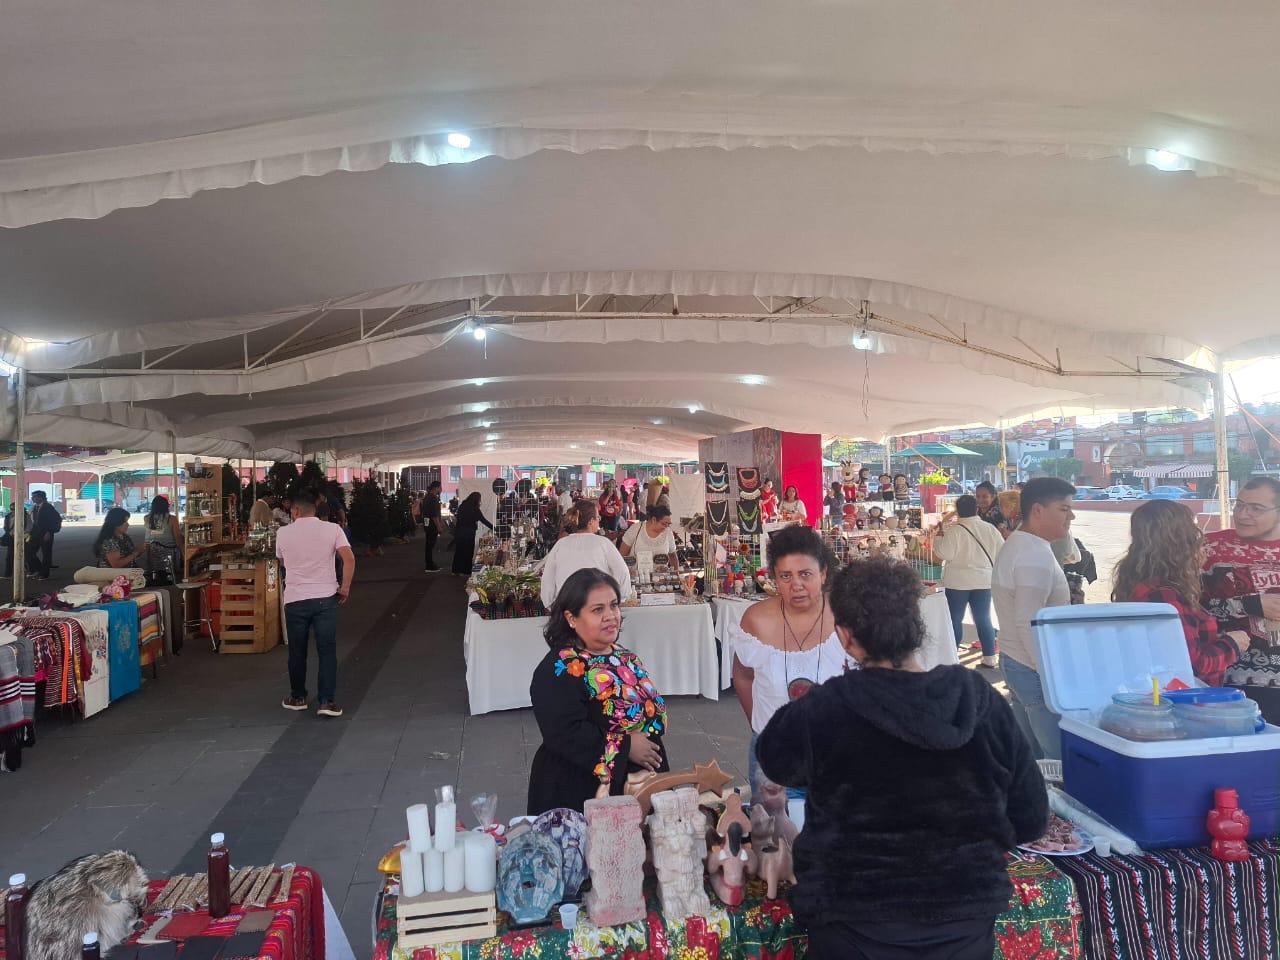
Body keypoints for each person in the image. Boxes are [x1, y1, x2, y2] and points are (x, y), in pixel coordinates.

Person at [756, 556, 1048, 960]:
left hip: (850, 926)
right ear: (916, 627)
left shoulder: (825, 707)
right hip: (963, 926)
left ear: (844, 636)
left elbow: (772, 755)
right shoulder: (979, 699)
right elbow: (1030, 818)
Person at [527, 569, 668, 814]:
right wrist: (626, 747)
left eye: (613, 606)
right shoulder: (559, 668)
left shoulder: (623, 655)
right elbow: (563, 733)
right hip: (581, 788)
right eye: (597, 610)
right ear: (571, 618)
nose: (610, 616)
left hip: (638, 783)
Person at [731, 525, 852, 795]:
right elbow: (742, 676)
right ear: (774, 577)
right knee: (774, 831)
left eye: (805, 574)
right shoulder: (756, 619)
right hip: (775, 755)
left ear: (823, 574)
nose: (796, 585)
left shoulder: (846, 614)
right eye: (785, 576)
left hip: (835, 752)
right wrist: (760, 726)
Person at [1112, 500, 1248, 688]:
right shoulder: (1165, 597)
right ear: (1180, 545)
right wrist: (1232, 644)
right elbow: (1191, 667)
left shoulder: (1137, 582)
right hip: (1186, 702)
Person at [991, 477, 1075, 760]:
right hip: (1033, 669)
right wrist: (1049, 672)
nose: (1071, 516)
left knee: (1035, 758)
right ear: (1038, 510)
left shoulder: (1023, 545)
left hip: (1018, 663)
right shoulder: (1032, 555)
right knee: (1055, 759)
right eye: (1064, 509)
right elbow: (1028, 621)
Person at [1201, 475, 1280, 720]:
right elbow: (1185, 611)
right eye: (1240, 505)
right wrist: (1248, 605)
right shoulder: (1209, 548)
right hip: (1228, 685)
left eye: (1256, 508)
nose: (1243, 514)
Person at [275, 491, 354, 718]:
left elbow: (281, 561)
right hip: (325, 598)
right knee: (327, 650)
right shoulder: (332, 529)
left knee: (297, 651)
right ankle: (326, 701)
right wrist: (345, 586)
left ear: (296, 511)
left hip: (295, 598)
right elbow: (349, 558)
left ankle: (298, 697)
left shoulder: (283, 532)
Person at [929, 495, 1005, 668]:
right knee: (983, 618)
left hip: (957, 583)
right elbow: (1001, 551)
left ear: (958, 510)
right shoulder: (989, 529)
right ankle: (990, 656)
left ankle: (952, 657)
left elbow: (944, 555)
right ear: (976, 509)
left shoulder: (954, 531)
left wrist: (939, 538)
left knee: (955, 619)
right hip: (984, 581)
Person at [539, 501, 632, 606]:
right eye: (598, 517)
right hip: (597, 607)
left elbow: (547, 580)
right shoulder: (604, 543)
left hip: (568, 608)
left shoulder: (560, 544)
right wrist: (619, 600)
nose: (599, 521)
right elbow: (623, 573)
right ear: (591, 521)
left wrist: (551, 605)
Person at [619, 503, 678, 568]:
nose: (666, 527)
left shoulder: (668, 532)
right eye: (664, 524)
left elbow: (672, 555)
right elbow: (622, 555)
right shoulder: (635, 529)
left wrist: (676, 572)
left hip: (660, 576)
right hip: (636, 576)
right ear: (654, 520)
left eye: (668, 524)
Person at [451, 491, 494, 575]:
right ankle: (466, 570)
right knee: (468, 552)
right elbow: (483, 520)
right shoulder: (475, 509)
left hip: (460, 531)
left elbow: (458, 518)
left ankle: (455, 570)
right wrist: (494, 528)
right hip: (469, 532)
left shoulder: (462, 506)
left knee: (459, 551)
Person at [142, 495, 184, 578]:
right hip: (168, 549)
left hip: (150, 549)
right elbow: (177, 537)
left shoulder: (146, 518)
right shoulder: (172, 518)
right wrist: (183, 553)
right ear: (166, 506)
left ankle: (153, 573)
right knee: (182, 540)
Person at [26, 490, 60, 580]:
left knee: (46, 554)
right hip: (35, 533)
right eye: (32, 497)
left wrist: (49, 531)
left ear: (40, 498)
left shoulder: (48, 507)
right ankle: (38, 569)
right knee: (28, 551)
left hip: (46, 533)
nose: (32, 498)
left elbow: (56, 520)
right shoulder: (34, 508)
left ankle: (44, 574)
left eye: (34, 497)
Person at [421, 481, 444, 572]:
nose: (441, 489)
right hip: (432, 525)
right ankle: (430, 565)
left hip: (427, 523)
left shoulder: (426, 497)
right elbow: (434, 515)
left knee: (428, 545)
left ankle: (429, 564)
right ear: (436, 488)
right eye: (440, 487)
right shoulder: (433, 498)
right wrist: (438, 526)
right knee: (430, 544)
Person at [2, 504, 27, 579]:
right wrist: (9, 533)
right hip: (11, 538)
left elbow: (29, 527)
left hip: (21, 538)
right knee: (9, 557)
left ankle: (26, 569)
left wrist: (22, 534)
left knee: (22, 556)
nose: (12, 510)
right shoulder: (8, 516)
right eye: (11, 509)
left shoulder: (24, 516)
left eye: (14, 509)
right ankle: (7, 574)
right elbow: (6, 527)